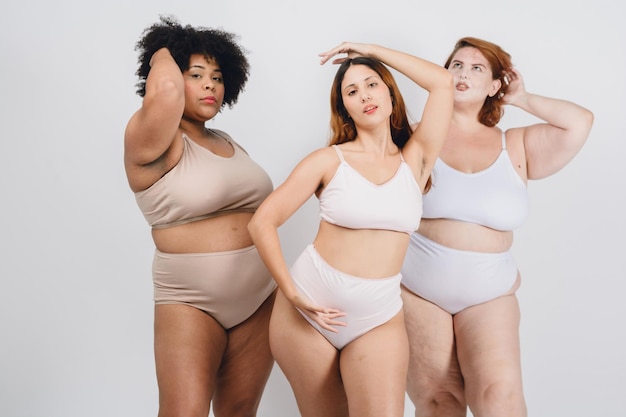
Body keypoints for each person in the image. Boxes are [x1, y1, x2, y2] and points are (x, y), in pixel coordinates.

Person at [248, 42, 454, 417]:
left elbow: (442, 83)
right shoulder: (328, 160)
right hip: (308, 314)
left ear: (391, 94)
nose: (364, 96)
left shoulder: (416, 161)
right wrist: (293, 295)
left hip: (379, 316)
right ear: (345, 108)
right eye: (352, 92)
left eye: (372, 84)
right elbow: (262, 221)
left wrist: (366, 49)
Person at [400, 36, 594, 417]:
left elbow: (580, 122)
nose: (464, 74)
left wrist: (521, 98)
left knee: (499, 397)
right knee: (439, 400)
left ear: (494, 86)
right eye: (456, 65)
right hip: (417, 290)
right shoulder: (411, 135)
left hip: (489, 295)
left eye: (477, 69)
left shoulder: (516, 145)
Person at [123, 16, 277, 417]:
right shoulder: (150, 139)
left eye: (217, 76)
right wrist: (162, 46)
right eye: (196, 74)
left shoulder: (226, 140)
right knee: (183, 411)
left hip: (260, 297)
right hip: (191, 300)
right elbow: (166, 93)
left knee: (240, 410)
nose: (210, 84)